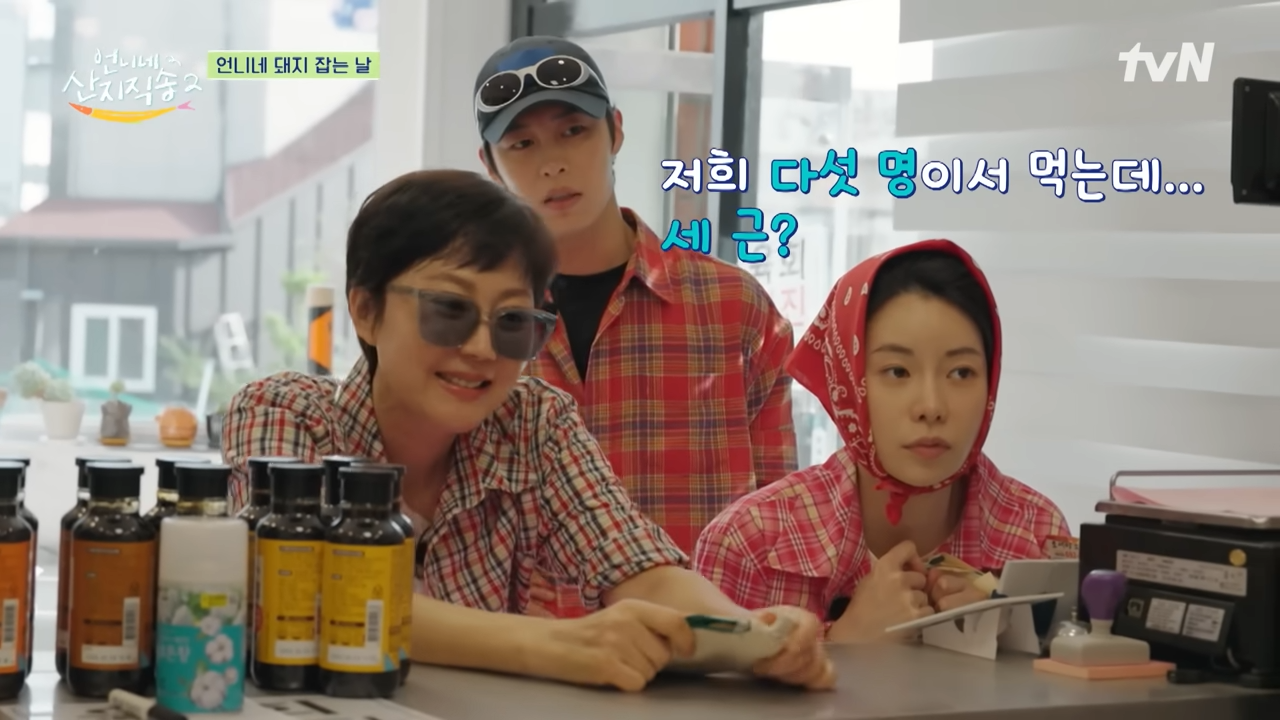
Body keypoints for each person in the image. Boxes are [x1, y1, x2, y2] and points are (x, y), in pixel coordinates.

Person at [222, 169, 833, 691]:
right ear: (364, 310)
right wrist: (557, 646)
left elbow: (640, 570)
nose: (481, 348)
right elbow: (300, 594)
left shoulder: (534, 421)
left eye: (513, 322)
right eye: (449, 309)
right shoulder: (285, 413)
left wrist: (755, 638)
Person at [473, 37, 798, 616]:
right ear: (490, 165)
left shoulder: (733, 307)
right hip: (528, 654)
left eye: (574, 130)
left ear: (615, 131)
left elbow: (780, 515)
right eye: (522, 144)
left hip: (705, 646)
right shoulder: (471, 326)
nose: (553, 163)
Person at [692, 239, 1072, 643]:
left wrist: (1009, 641)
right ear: (848, 379)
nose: (931, 407)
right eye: (897, 372)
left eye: (961, 373)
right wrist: (843, 641)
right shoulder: (747, 543)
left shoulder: (1036, 535)